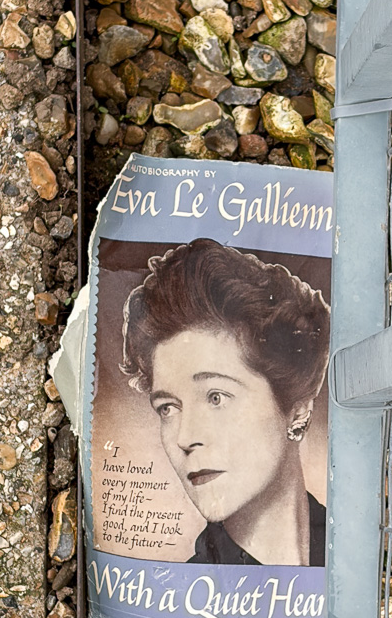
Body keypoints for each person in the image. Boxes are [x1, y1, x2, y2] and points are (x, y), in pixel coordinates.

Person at [120, 238, 330, 567]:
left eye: (215, 397)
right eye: (168, 408)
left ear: (297, 407)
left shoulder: (365, 549)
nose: (184, 438)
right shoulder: (183, 599)